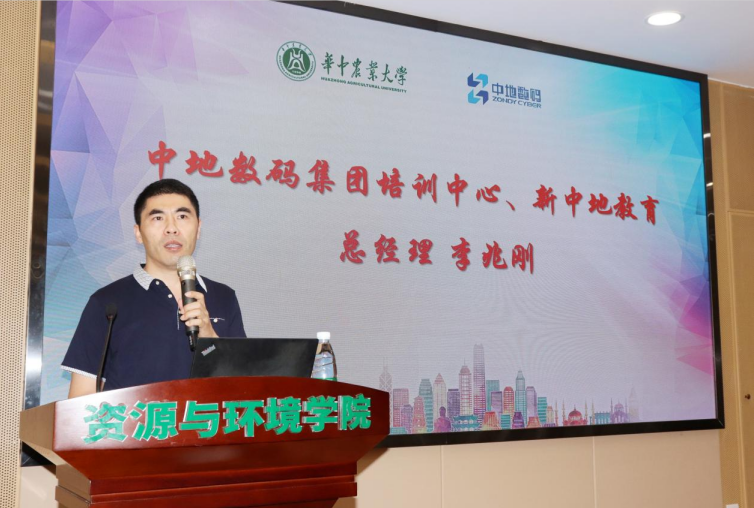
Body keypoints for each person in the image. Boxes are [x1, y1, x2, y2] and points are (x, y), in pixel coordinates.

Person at [62, 179, 246, 397]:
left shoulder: (224, 297)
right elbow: (81, 398)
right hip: (139, 420)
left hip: (205, 420)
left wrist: (209, 336)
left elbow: (245, 388)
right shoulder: (107, 303)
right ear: (138, 233)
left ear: (198, 228)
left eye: (182, 216)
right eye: (158, 218)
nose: (171, 229)